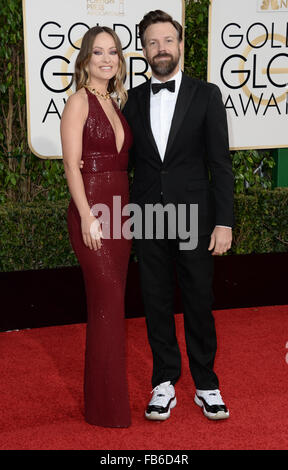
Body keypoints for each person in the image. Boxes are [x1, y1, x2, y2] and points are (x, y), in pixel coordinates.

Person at [122, 10, 234, 421]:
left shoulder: (206, 95)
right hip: (148, 213)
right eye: (152, 42)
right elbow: (125, 163)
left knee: (199, 298)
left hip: (195, 216)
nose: (161, 49)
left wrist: (224, 222)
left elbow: (220, 164)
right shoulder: (132, 100)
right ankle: (164, 382)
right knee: (155, 298)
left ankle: (206, 383)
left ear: (181, 44)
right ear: (144, 50)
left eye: (168, 40)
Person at [60, 26, 132, 427]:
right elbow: (71, 165)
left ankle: (103, 402)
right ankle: (107, 410)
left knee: (113, 306)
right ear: (85, 58)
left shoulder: (114, 101)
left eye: (113, 52)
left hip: (121, 214)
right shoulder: (79, 101)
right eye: (99, 52)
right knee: (106, 304)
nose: (107, 59)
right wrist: (87, 215)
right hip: (94, 215)